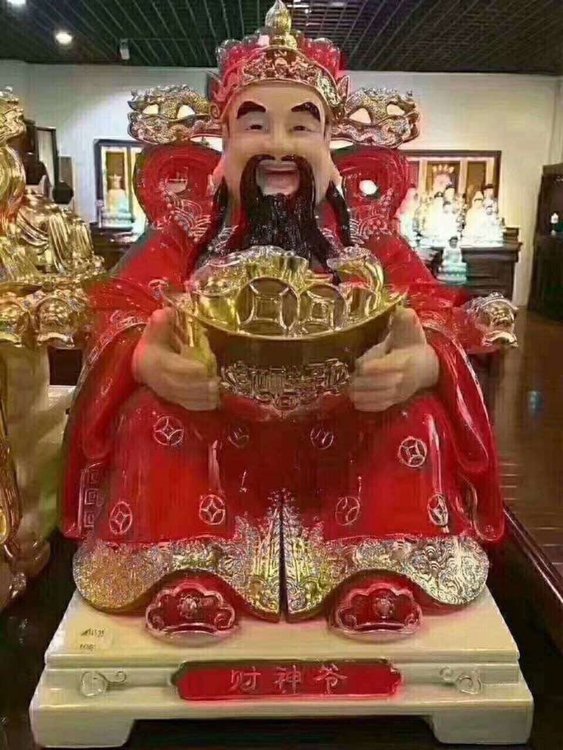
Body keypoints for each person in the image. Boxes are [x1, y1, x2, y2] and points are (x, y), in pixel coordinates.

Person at [61, 0, 513, 643]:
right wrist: (146, 358)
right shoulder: (187, 229)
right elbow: (118, 312)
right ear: (222, 143)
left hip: (345, 413)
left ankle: (378, 565)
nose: (278, 146)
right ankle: (187, 567)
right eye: (255, 125)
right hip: (214, 413)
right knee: (149, 417)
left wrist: (420, 361)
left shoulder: (366, 234)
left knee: (416, 417)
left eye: (302, 127)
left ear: (329, 145)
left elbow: (435, 311)